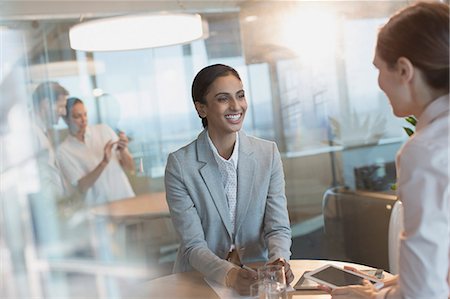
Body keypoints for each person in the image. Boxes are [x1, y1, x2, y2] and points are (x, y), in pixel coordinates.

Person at [328, 2, 449, 298]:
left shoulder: (426, 151)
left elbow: (423, 293)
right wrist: (388, 284)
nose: (379, 82)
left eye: (379, 69)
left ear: (405, 70)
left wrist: (371, 297)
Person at [164, 64, 294, 295]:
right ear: (201, 109)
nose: (236, 106)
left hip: (257, 274)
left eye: (240, 95)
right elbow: (193, 245)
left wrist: (279, 260)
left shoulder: (268, 154)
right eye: (223, 99)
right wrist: (230, 274)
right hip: (198, 280)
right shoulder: (181, 166)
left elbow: (278, 227)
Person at [56, 97, 135, 205]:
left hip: (125, 201)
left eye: (85, 114)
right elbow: (81, 188)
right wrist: (103, 163)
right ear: (66, 120)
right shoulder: (63, 151)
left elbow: (130, 167)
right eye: (77, 116)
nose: (84, 120)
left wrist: (123, 150)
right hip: (100, 213)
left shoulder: (104, 130)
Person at [32, 81, 69, 197]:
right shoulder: (31, 133)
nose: (64, 112)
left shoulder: (41, 130)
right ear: (46, 104)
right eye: (61, 106)